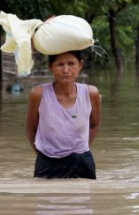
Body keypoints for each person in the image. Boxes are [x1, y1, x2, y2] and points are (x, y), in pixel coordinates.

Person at [25, 50, 101, 179]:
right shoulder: (38, 94)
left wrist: (81, 148)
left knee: (84, 197)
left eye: (71, 64)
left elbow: (94, 125)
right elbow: (31, 129)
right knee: (45, 197)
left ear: (80, 65)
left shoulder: (90, 93)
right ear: (50, 67)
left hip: (82, 162)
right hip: (47, 161)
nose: (66, 70)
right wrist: (42, 154)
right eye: (60, 64)